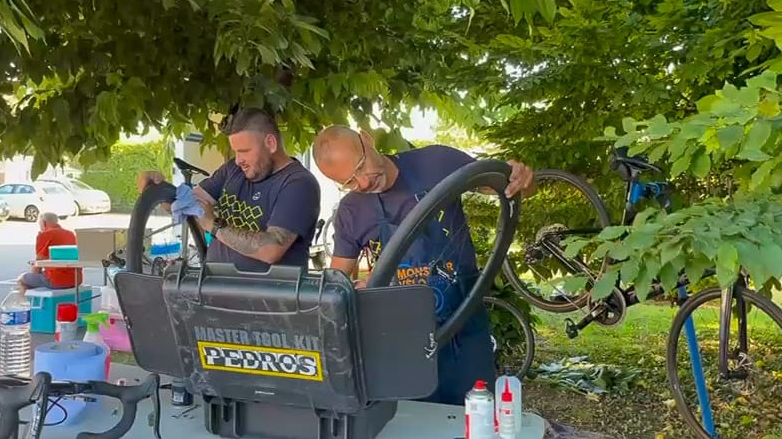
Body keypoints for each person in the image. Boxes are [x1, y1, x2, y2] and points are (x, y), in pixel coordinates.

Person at [311, 125, 536, 406]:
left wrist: (520, 177)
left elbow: (506, 186)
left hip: (463, 323)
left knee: (477, 413)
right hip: (403, 338)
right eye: (350, 182)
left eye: (360, 167)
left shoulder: (435, 163)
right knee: (417, 420)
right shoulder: (352, 211)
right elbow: (336, 284)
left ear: (367, 140)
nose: (364, 183)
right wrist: (359, 289)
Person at [138, 107, 321, 271]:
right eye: (235, 152)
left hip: (269, 304)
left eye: (245, 151)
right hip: (216, 293)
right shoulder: (233, 169)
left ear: (271, 143)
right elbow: (189, 204)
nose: (239, 159)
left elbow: (270, 249)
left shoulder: (299, 184)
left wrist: (214, 225)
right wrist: (158, 189)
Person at [17, 212, 82, 295]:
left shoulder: (44, 235)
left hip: (56, 280)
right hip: (76, 279)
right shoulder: (71, 234)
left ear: (44, 223)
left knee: (22, 279)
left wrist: (33, 276)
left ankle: (27, 304)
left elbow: (38, 264)